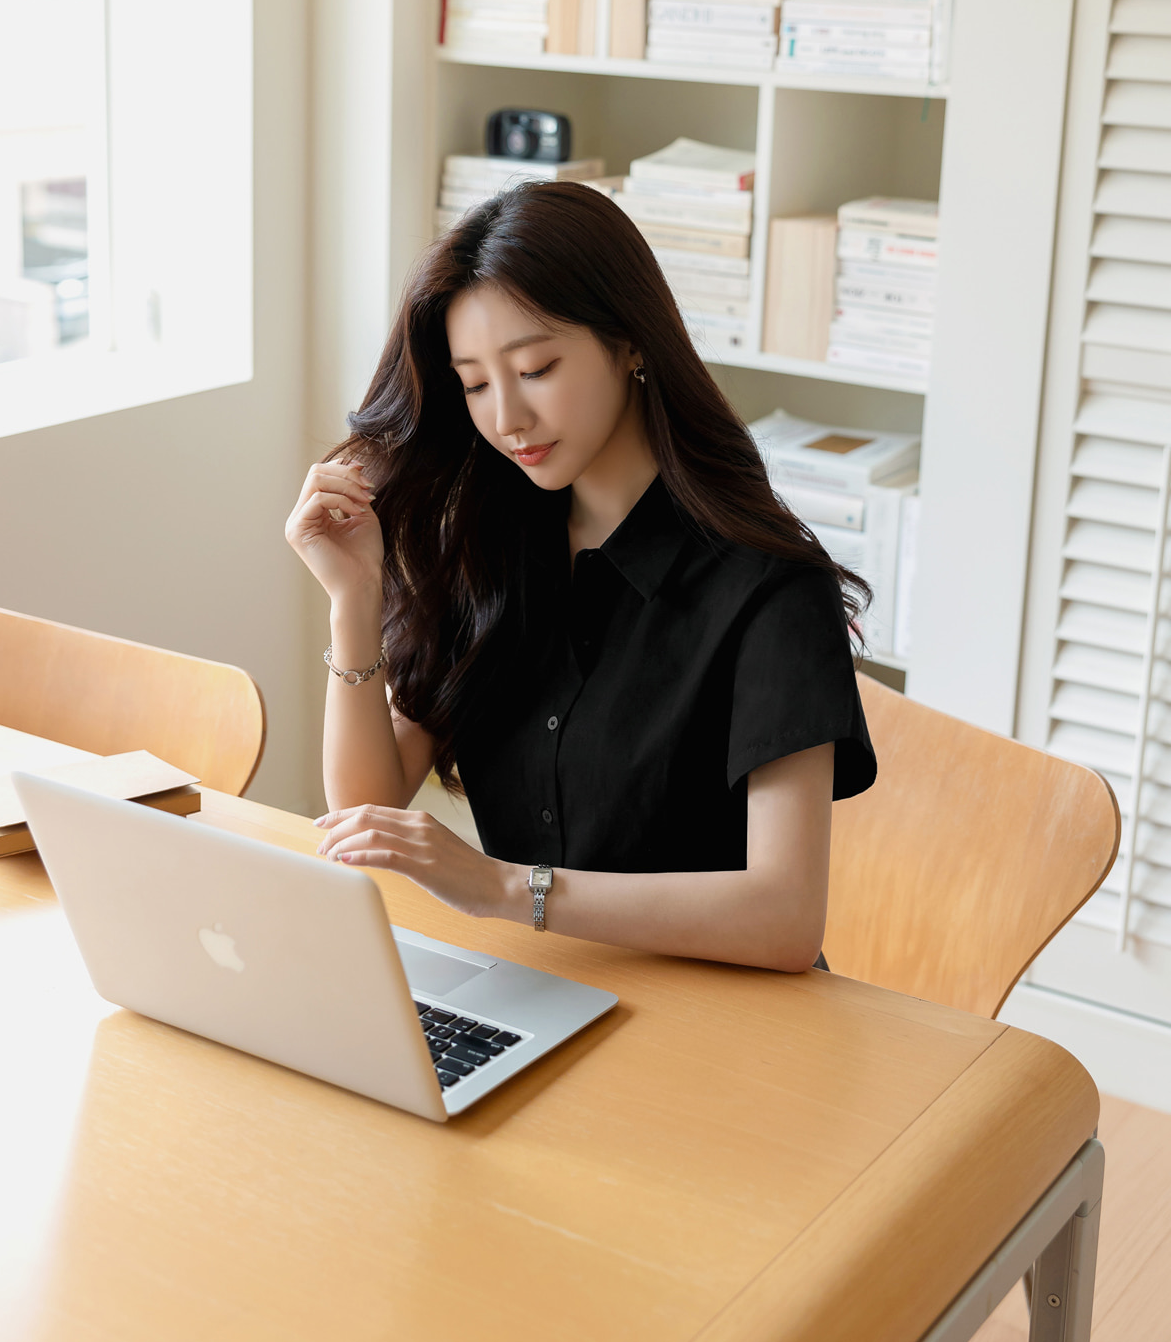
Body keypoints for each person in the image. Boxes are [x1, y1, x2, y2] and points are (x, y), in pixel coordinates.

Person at [286, 180, 875, 973]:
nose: (506, 419)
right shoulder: (488, 552)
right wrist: (353, 599)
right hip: (545, 991)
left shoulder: (769, 589)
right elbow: (365, 812)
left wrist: (504, 888)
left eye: (535, 368)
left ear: (630, 343)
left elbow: (785, 919)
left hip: (730, 1029)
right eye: (476, 384)